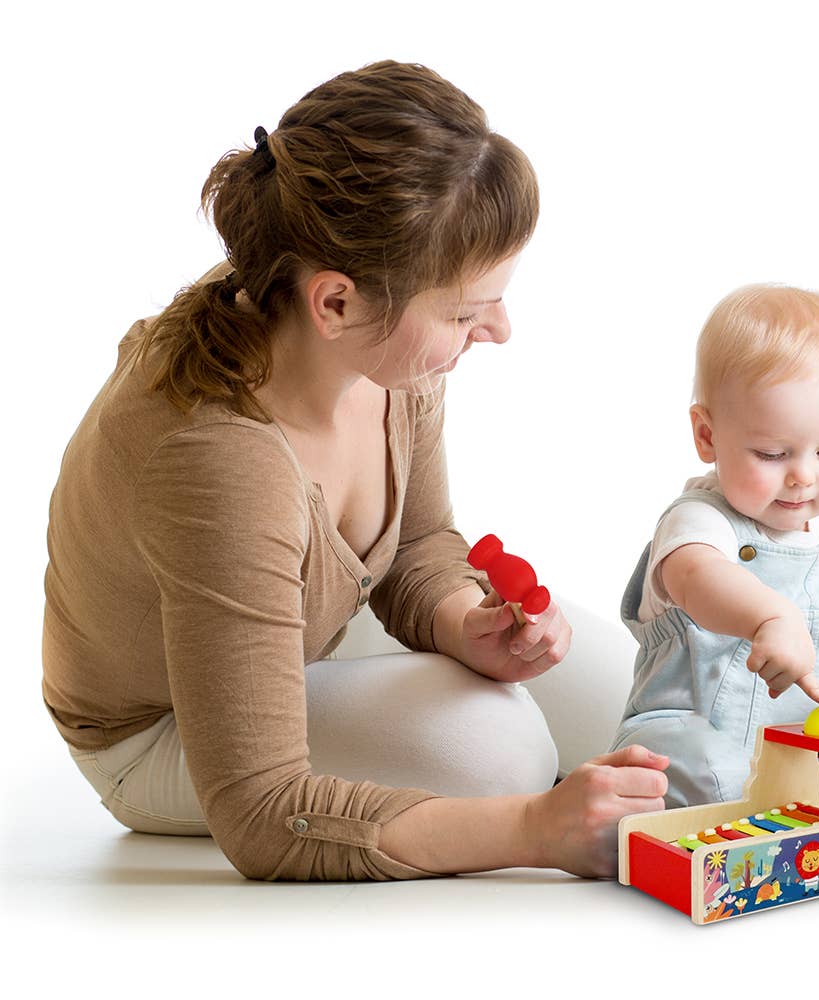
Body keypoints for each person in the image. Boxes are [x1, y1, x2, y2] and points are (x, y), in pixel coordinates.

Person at [42, 61, 668, 882]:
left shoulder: (367, 346)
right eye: (467, 311)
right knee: (503, 757)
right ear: (334, 303)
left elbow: (419, 543)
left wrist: (457, 621)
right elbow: (262, 810)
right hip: (161, 729)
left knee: (636, 698)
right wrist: (531, 829)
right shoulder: (219, 462)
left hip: (309, 633)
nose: (501, 331)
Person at [610, 284, 819, 808]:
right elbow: (696, 578)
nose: (803, 476)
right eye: (772, 452)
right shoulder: (699, 522)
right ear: (707, 436)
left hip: (801, 750)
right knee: (709, 776)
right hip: (688, 736)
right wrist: (771, 618)